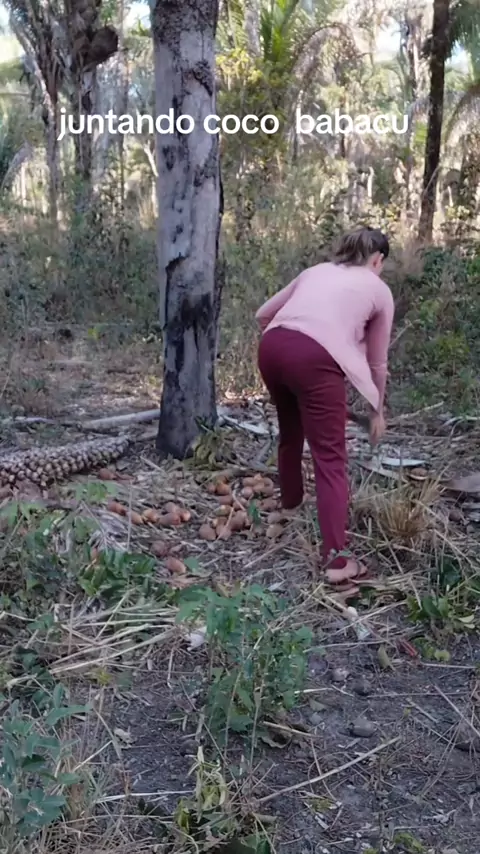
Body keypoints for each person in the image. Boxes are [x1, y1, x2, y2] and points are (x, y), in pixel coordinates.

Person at [256, 226, 394, 593]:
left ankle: (290, 505)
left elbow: (262, 314)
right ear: (378, 259)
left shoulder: (316, 271)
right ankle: (337, 562)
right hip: (314, 360)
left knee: (291, 433)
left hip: (272, 347)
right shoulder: (378, 289)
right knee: (331, 459)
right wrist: (377, 410)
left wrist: (290, 348)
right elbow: (378, 363)